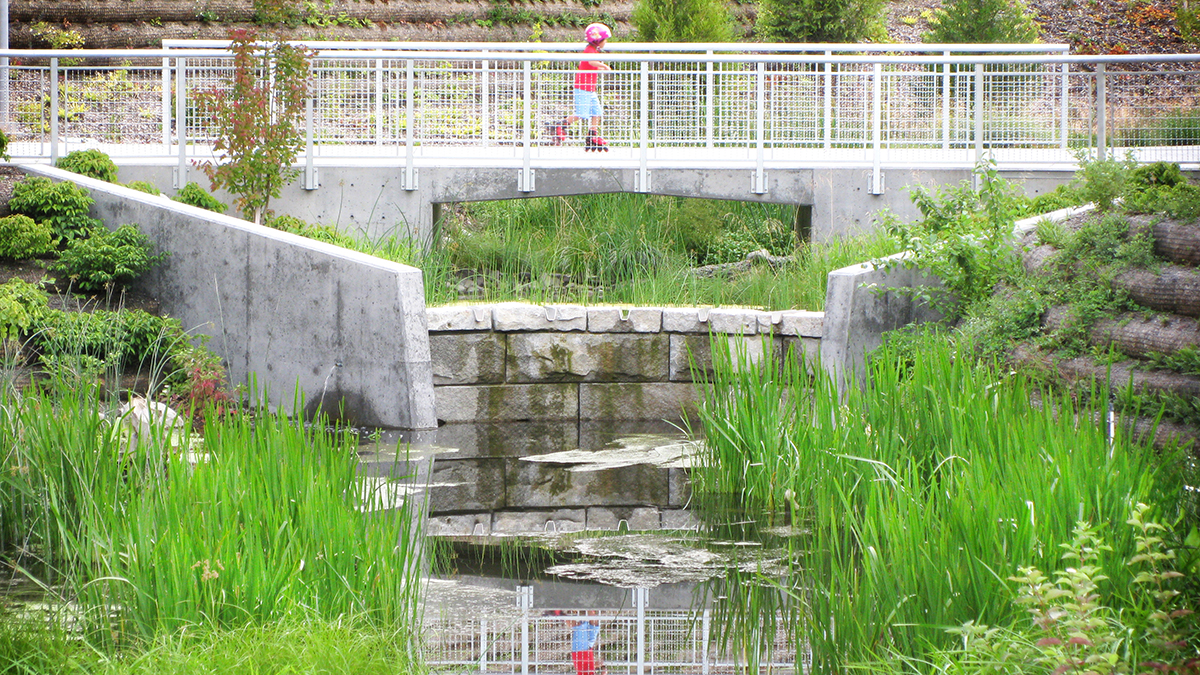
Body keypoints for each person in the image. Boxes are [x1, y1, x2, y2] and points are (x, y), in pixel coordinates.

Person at [549, 23, 612, 151]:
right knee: (582, 113)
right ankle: (560, 126)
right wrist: (603, 66)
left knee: (597, 112)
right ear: (598, 40)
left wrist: (600, 67)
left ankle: (593, 135)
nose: (605, 42)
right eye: (604, 40)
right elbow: (590, 61)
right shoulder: (589, 51)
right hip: (583, 87)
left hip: (590, 88)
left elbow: (592, 65)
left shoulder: (595, 51)